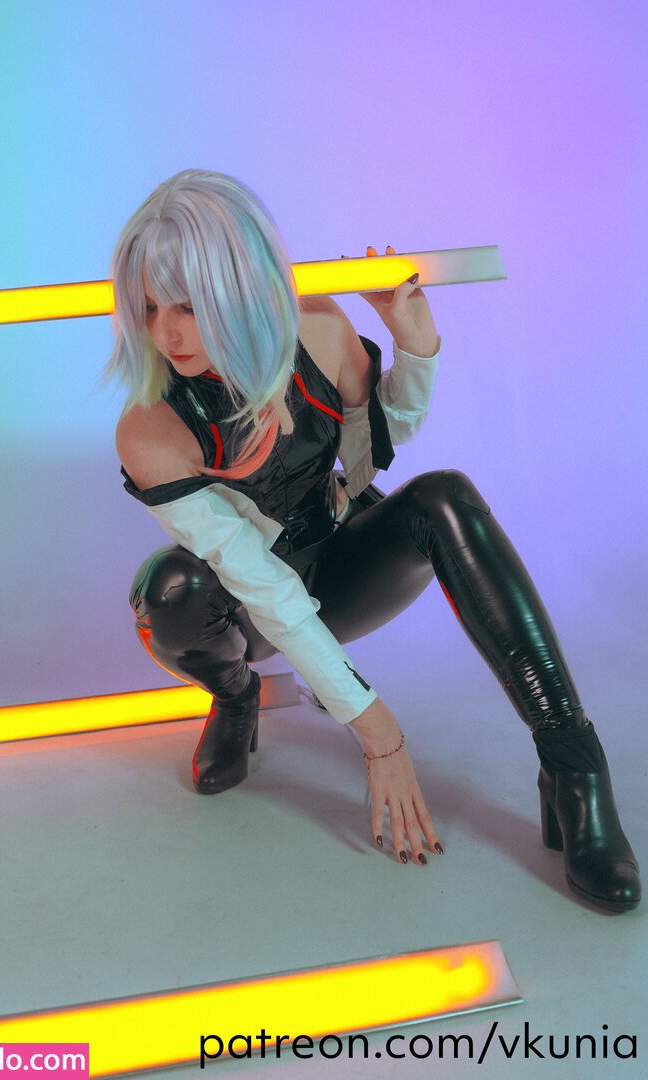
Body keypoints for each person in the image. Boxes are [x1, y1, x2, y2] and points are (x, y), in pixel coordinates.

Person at [106, 168, 640, 914]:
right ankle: (235, 698)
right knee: (171, 590)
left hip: (341, 563)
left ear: (242, 291)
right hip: (249, 609)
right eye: (148, 307)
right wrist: (376, 730)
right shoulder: (151, 429)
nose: (166, 333)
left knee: (444, 495)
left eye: (189, 306)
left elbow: (379, 447)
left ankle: (574, 768)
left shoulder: (317, 329)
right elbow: (266, 588)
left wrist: (412, 343)